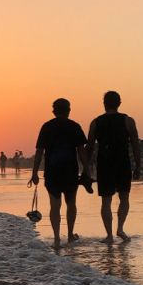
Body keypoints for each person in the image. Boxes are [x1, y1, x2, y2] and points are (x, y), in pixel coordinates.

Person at [30, 97, 88, 247]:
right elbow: (81, 151)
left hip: (52, 171)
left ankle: (56, 238)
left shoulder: (47, 127)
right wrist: (87, 169)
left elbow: (39, 152)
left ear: (54, 111)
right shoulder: (74, 126)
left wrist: (34, 173)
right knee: (71, 203)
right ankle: (69, 235)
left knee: (55, 205)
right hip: (70, 171)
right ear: (69, 110)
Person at [86, 91, 141, 243]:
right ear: (119, 103)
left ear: (104, 104)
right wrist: (138, 165)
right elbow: (136, 144)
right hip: (123, 162)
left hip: (104, 163)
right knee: (124, 197)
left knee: (106, 200)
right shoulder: (128, 121)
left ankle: (109, 235)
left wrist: (86, 168)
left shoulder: (95, 122)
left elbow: (89, 147)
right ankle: (120, 229)